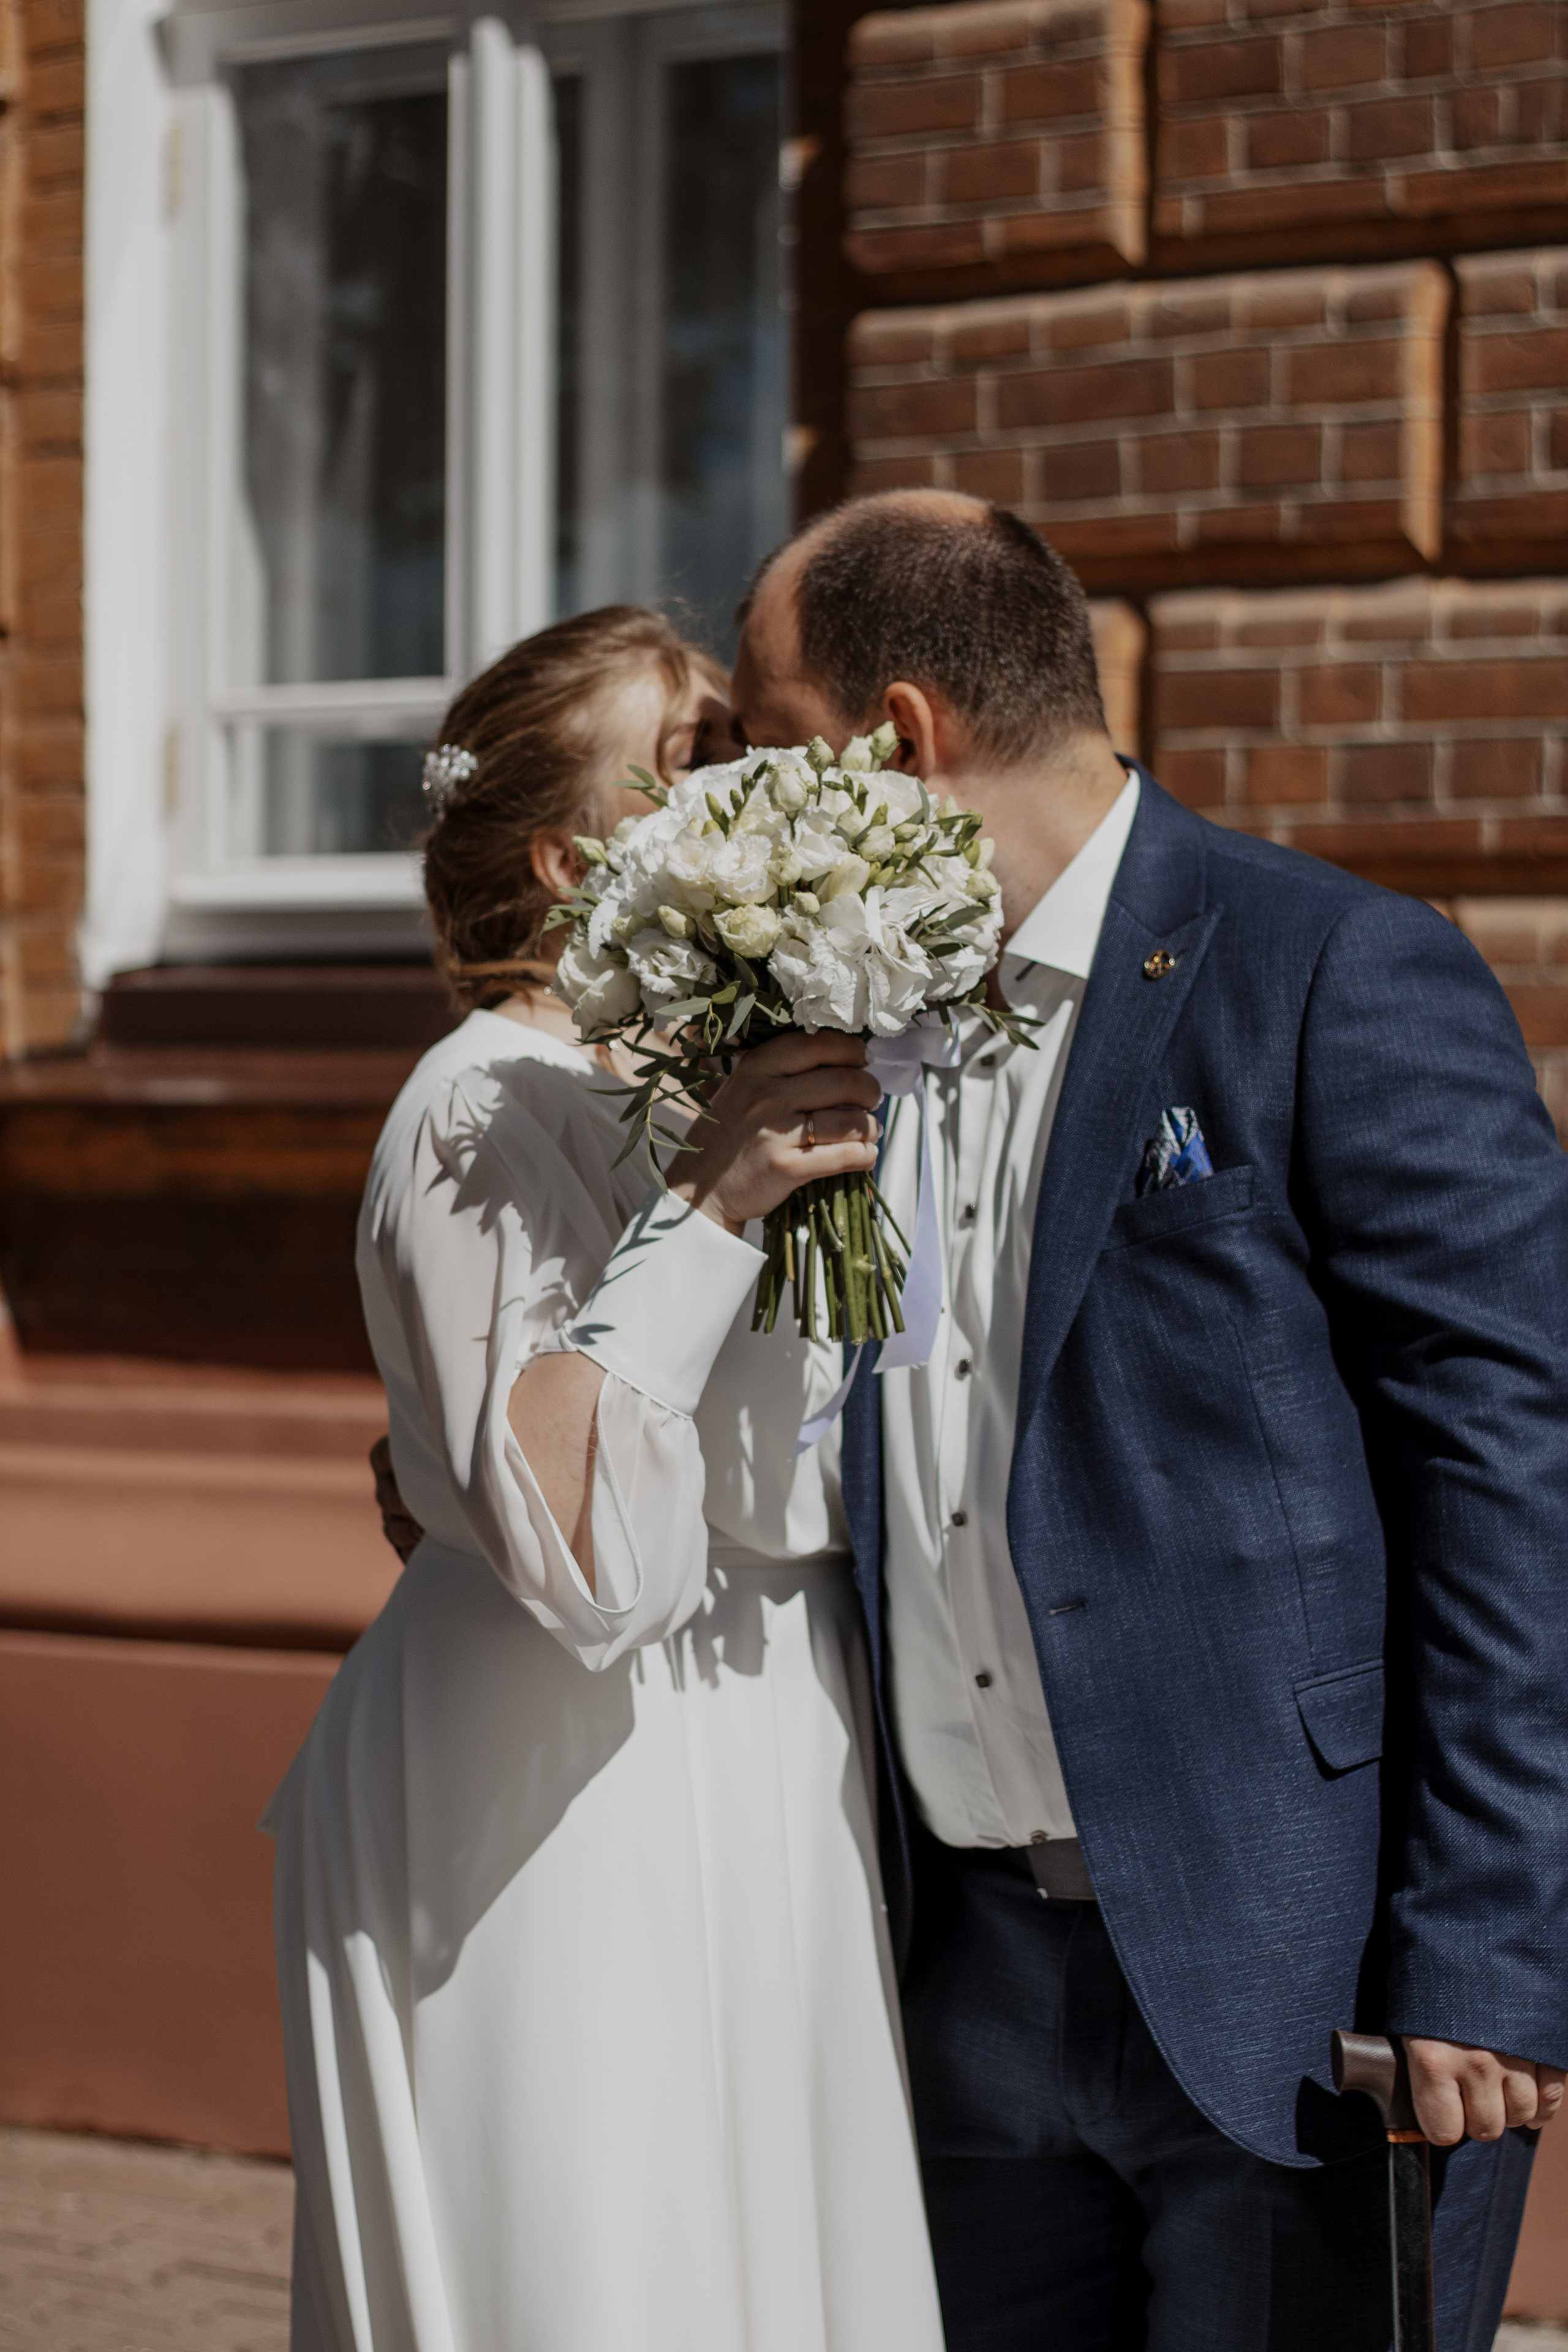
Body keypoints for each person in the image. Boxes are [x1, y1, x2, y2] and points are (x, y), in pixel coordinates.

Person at [725, 491, 1568, 2351]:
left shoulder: (1330, 969)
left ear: (894, 741)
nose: (752, 814)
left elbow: (1519, 1470)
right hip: (957, 1979)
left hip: (1290, 1973)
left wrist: (1491, 1947)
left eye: (772, 751)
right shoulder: (847, 1025)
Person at [265, 605, 946, 2352]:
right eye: (704, 751)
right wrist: (712, 1210)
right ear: (582, 855)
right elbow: (585, 1559)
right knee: (605, 2244)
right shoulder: (474, 1106)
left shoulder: (688, 1082)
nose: (758, 779)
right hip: (563, 1772)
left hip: (763, 1727)